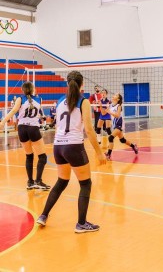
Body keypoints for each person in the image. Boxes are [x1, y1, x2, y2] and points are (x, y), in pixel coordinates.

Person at [37, 71, 106, 233]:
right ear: (82, 84)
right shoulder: (83, 102)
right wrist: (99, 152)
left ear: (67, 84)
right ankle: (81, 223)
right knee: (85, 184)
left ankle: (43, 215)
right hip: (73, 146)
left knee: (61, 182)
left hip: (58, 146)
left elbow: (56, 124)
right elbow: (89, 130)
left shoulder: (60, 101)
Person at [0, 82, 50, 190]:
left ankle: (30, 182)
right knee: (42, 157)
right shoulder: (39, 99)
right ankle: (38, 181)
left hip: (22, 129)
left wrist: (3, 122)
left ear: (22, 90)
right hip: (33, 128)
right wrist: (42, 117)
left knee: (29, 156)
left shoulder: (19, 99)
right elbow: (38, 113)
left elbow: (14, 111)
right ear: (33, 89)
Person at [105, 93, 138, 160]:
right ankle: (133, 145)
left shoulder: (119, 106)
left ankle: (108, 154)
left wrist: (109, 112)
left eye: (115, 95)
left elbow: (117, 115)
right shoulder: (110, 105)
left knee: (110, 138)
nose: (113, 95)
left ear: (118, 99)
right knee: (122, 140)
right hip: (114, 125)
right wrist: (100, 105)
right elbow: (104, 112)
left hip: (119, 124)